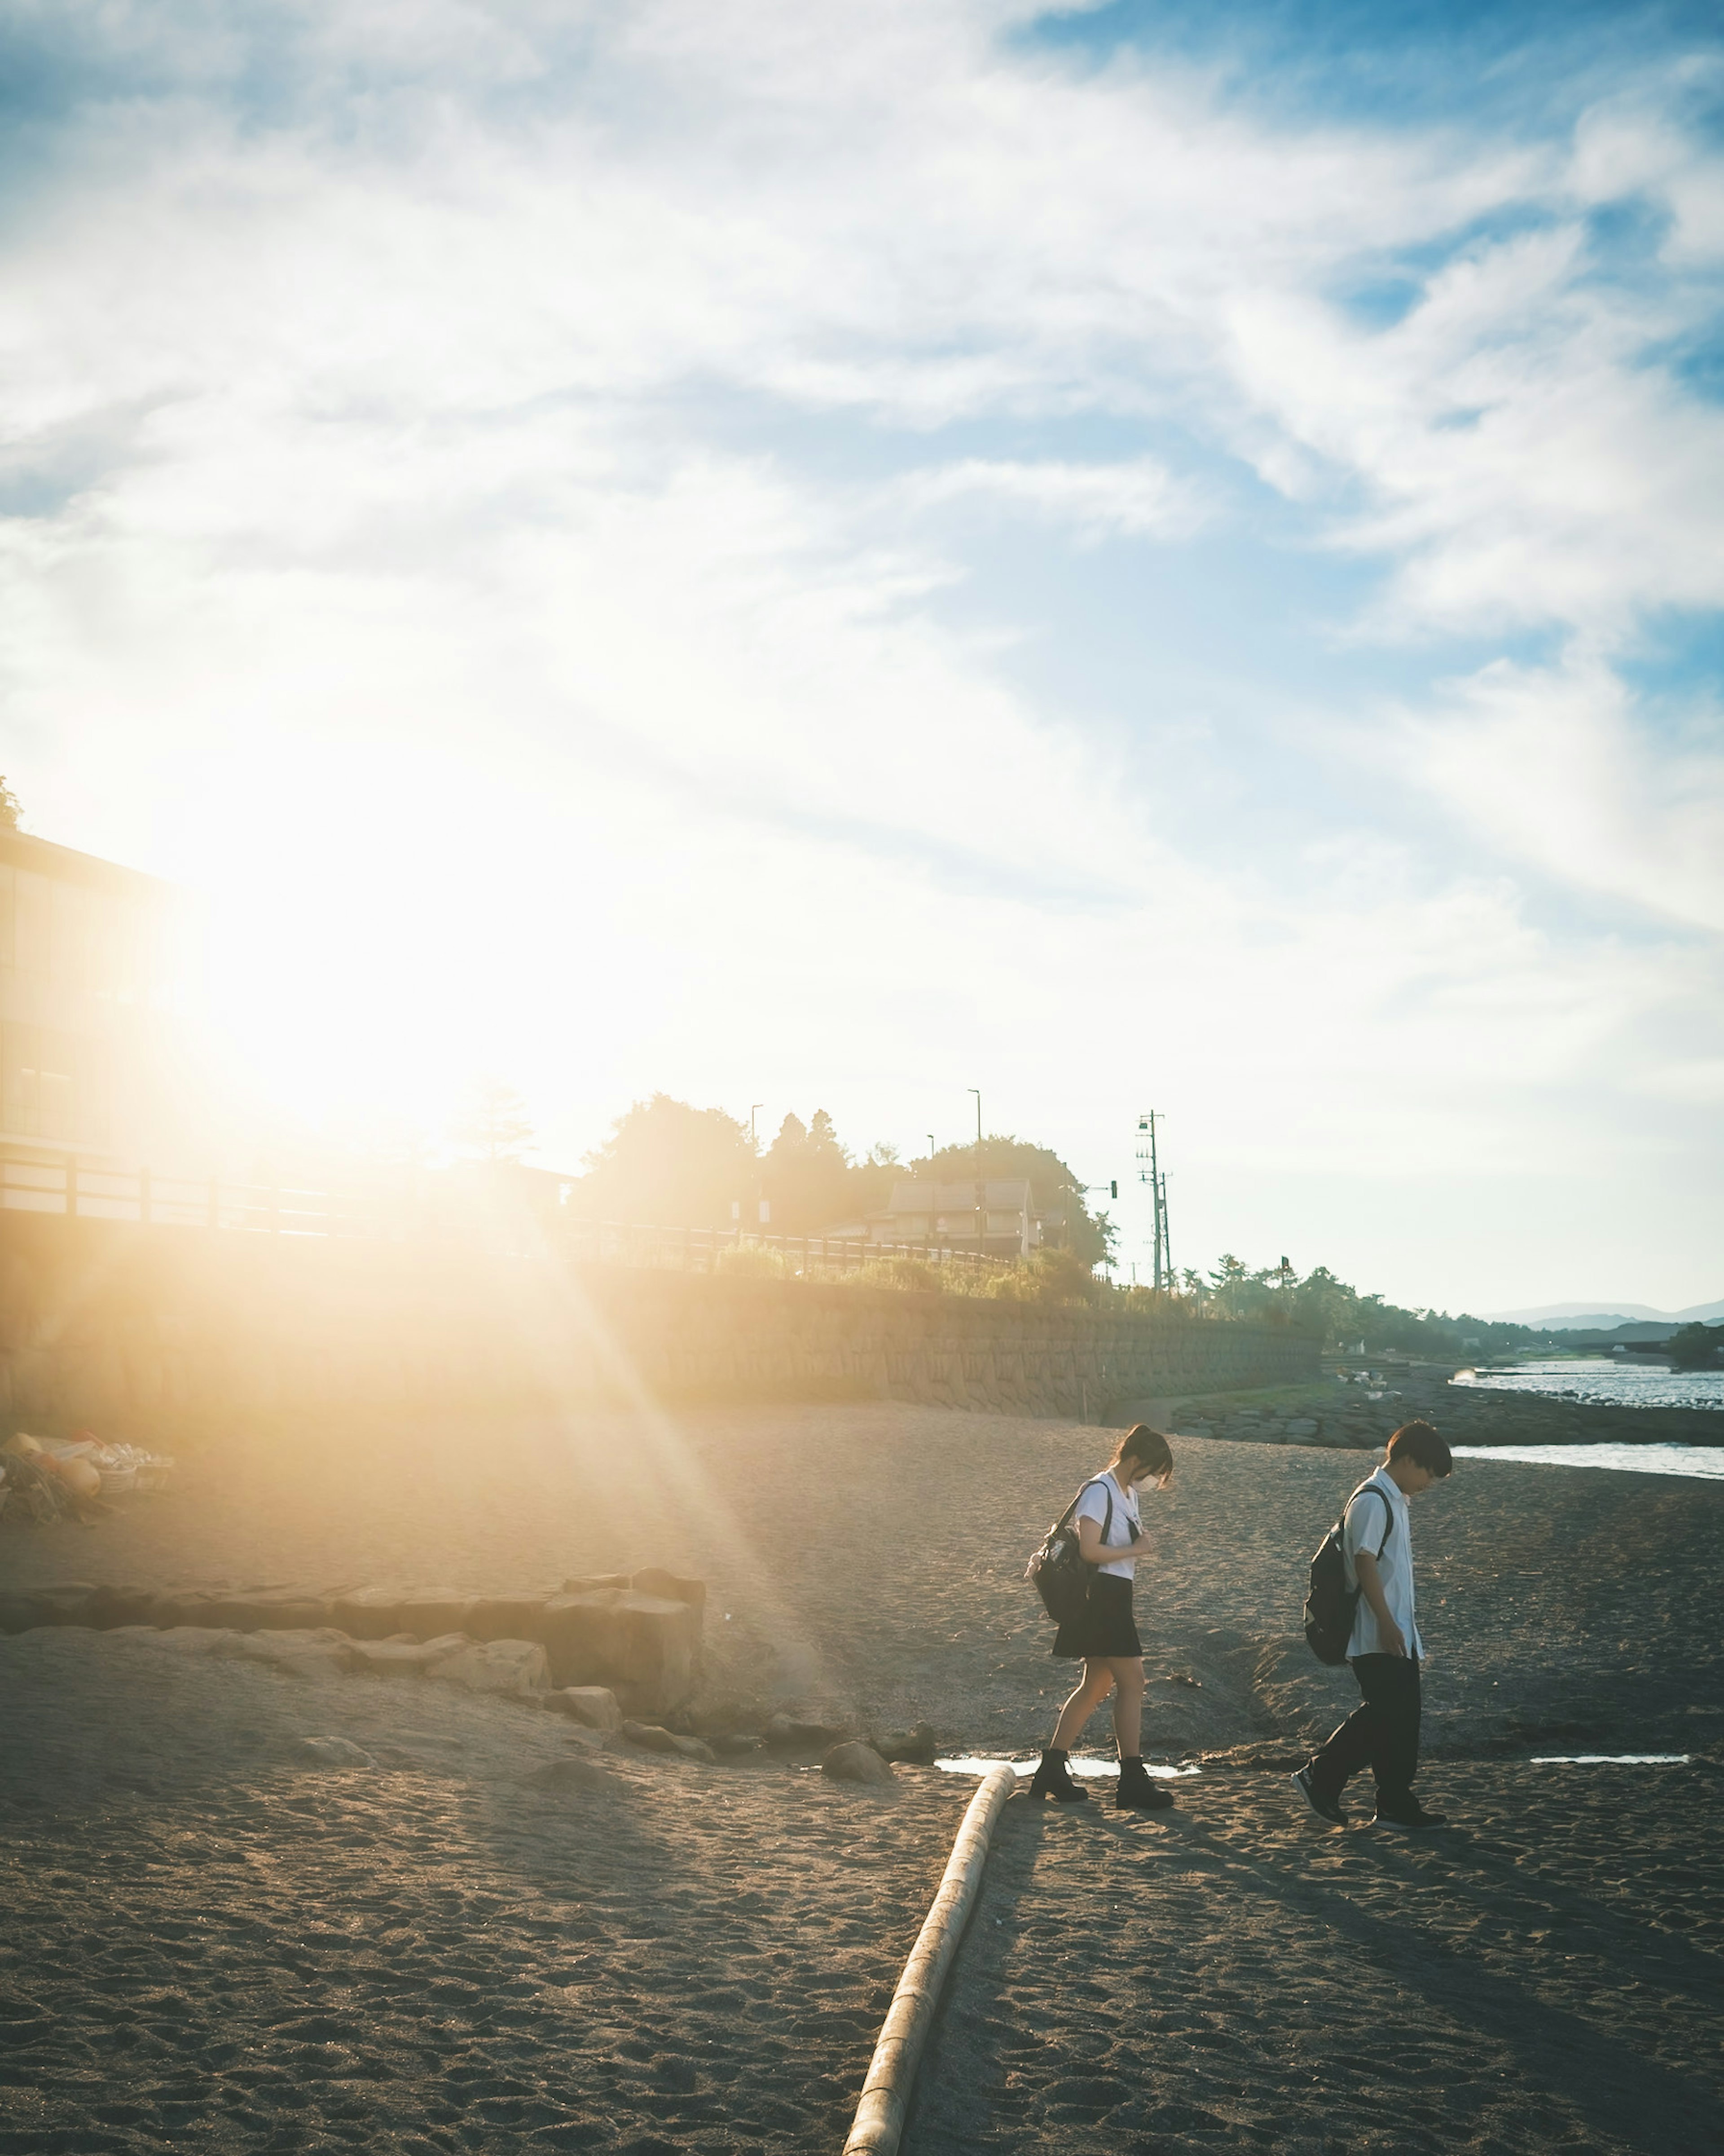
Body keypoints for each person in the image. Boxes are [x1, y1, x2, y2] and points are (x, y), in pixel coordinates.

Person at [1293, 1420, 1454, 1830]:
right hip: (1375, 1632)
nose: (1429, 1483)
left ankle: (1393, 1803)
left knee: (1400, 1719)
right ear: (1408, 1459)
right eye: (1428, 1473)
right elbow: (1364, 1562)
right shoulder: (1372, 1500)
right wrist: (1386, 1623)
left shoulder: (1394, 1498)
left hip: (1395, 1631)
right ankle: (1322, 1776)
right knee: (1386, 1715)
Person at [1029, 1424, 1176, 1811]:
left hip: (1115, 1595)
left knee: (1096, 1684)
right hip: (1102, 1597)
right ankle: (1131, 1779)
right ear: (1134, 1460)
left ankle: (1052, 1769)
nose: (1152, 1479)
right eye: (1152, 1469)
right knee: (1134, 1681)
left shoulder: (1126, 1493)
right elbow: (1091, 1551)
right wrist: (1137, 1548)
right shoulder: (1099, 1490)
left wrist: (1134, 1548)